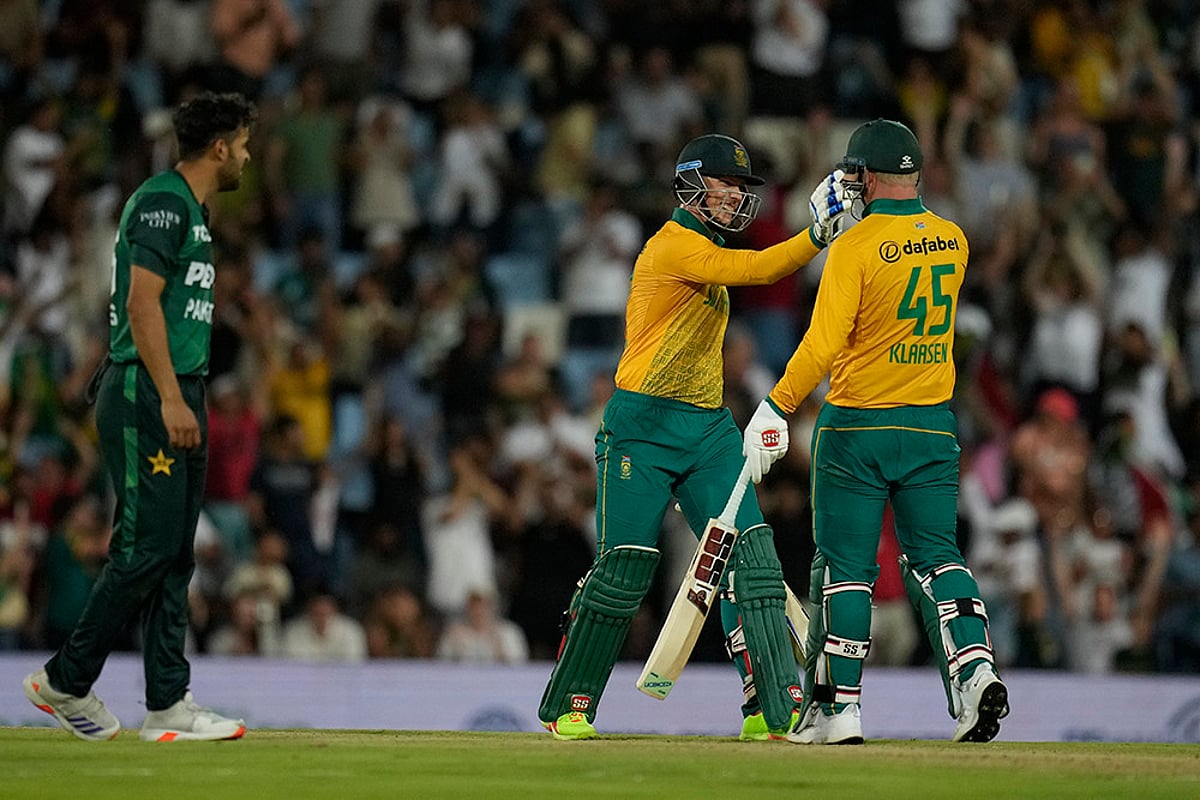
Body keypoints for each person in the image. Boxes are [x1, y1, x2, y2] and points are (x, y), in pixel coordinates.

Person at [537, 133, 849, 740]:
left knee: (753, 559)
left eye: (743, 187)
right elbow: (756, 269)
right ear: (691, 183)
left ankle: (774, 707)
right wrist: (816, 233)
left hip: (706, 427)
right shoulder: (673, 246)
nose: (737, 195)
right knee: (625, 567)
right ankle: (569, 705)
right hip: (641, 428)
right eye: (727, 183)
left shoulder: (704, 246)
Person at [742, 119, 1009, 745]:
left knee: (846, 571)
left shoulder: (855, 247)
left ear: (864, 175)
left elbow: (823, 343)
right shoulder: (954, 240)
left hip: (858, 425)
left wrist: (776, 405)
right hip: (932, 428)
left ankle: (839, 708)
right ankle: (975, 675)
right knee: (939, 558)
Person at [22, 91, 257, 743]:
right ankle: (65, 679)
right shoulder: (161, 203)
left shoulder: (194, 211)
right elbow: (141, 304)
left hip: (178, 387)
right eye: (242, 145)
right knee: (145, 546)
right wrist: (173, 397)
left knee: (175, 552)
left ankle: (167, 705)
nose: (246, 156)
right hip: (149, 392)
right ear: (218, 147)